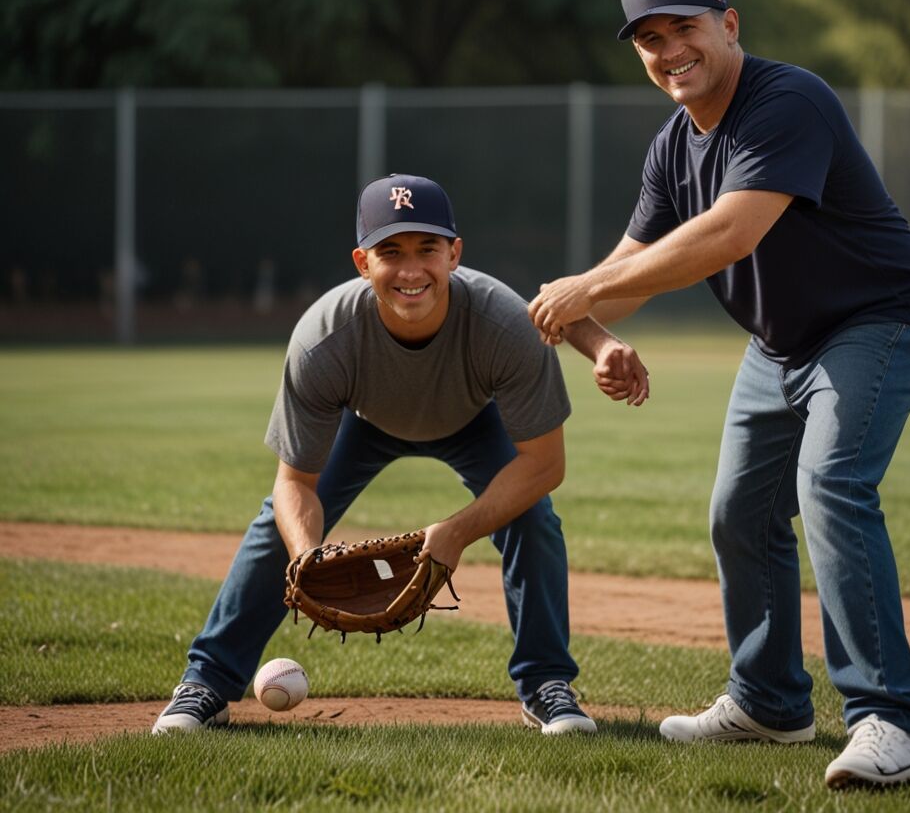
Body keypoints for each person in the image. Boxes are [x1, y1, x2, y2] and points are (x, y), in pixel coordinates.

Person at [528, 0, 910, 788]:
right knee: (739, 514)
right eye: (649, 39)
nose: (668, 49)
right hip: (779, 345)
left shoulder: (788, 101)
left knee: (831, 484)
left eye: (683, 26)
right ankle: (769, 704)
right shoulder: (672, 146)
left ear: (730, 23)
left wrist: (585, 291)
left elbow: (729, 235)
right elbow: (630, 267)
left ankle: (892, 724)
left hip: (878, 320)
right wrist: (598, 337)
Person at [153, 173, 648, 737]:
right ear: (363, 262)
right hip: (362, 421)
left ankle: (546, 685)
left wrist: (458, 532)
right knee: (278, 526)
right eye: (391, 252)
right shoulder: (323, 339)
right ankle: (208, 682)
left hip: (472, 420)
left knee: (533, 518)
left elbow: (544, 466)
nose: (411, 270)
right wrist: (307, 558)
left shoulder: (503, 324)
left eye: (427, 249)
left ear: (455, 254)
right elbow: (296, 484)